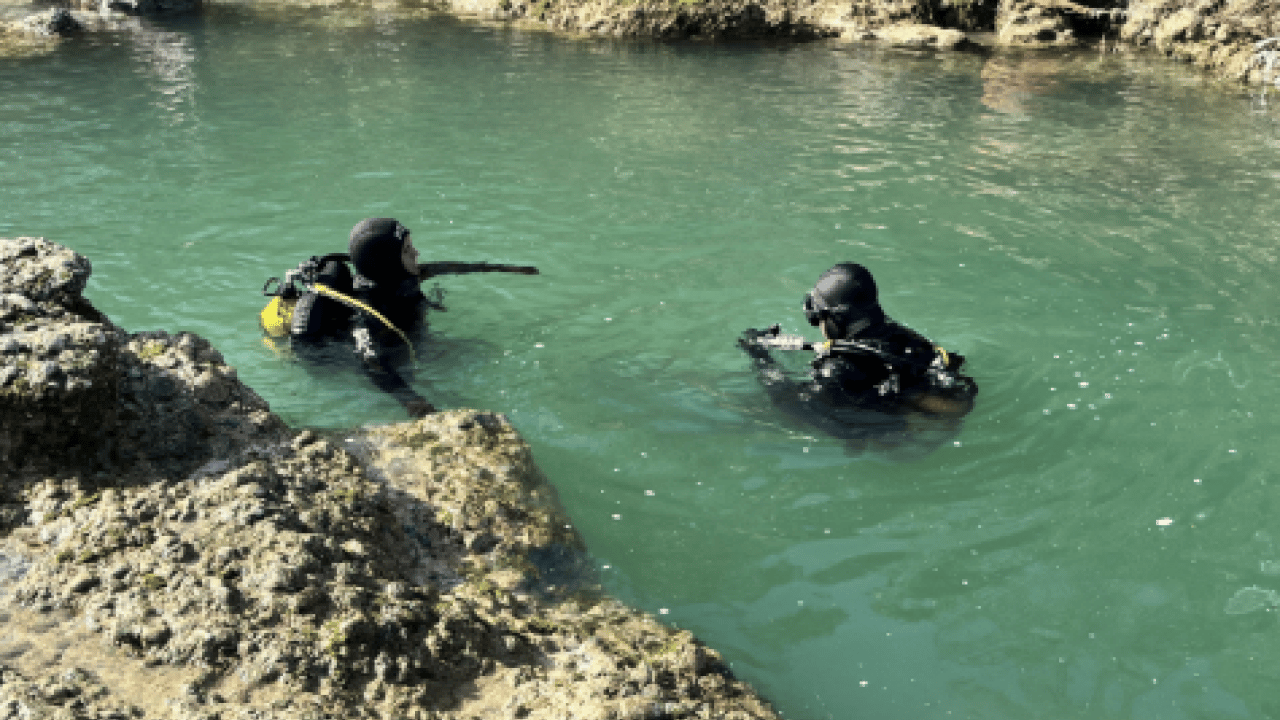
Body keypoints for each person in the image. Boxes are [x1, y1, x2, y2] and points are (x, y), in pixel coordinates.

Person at [261, 217, 538, 418]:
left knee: (479, 351)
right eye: (407, 250)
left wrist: (511, 269)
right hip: (365, 355)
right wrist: (411, 401)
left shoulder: (400, 277)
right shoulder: (367, 315)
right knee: (468, 361)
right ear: (387, 262)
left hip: (402, 334)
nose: (417, 253)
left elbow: (449, 267)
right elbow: (370, 361)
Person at [739, 262, 977, 443]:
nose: (819, 326)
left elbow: (794, 407)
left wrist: (762, 360)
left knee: (745, 410)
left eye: (819, 317)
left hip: (896, 445)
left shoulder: (837, 368)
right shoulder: (903, 337)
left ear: (836, 319)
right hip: (937, 416)